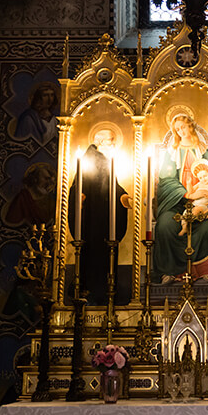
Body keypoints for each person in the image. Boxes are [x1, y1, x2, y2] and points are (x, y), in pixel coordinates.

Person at [152, 107, 208, 283]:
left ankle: (207, 272)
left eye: (183, 127)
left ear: (191, 126)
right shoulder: (172, 153)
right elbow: (166, 182)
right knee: (165, 225)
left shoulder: (203, 151)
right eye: (177, 129)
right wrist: (186, 195)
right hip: (176, 204)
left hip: (204, 202)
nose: (181, 131)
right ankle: (169, 272)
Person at [70, 125, 129, 304]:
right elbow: (78, 185)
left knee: (106, 251)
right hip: (92, 218)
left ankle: (104, 290)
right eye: (111, 141)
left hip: (105, 217)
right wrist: (78, 197)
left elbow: (112, 187)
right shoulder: (90, 159)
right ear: (102, 142)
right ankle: (90, 288)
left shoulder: (106, 161)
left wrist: (122, 196)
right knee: (93, 252)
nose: (113, 145)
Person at [179, 159, 208, 235]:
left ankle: (192, 222)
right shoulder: (199, 184)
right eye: (200, 178)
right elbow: (191, 191)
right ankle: (184, 228)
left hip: (204, 206)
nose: (203, 179)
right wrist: (189, 184)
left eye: (205, 176)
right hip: (195, 204)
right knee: (185, 213)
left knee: (197, 211)